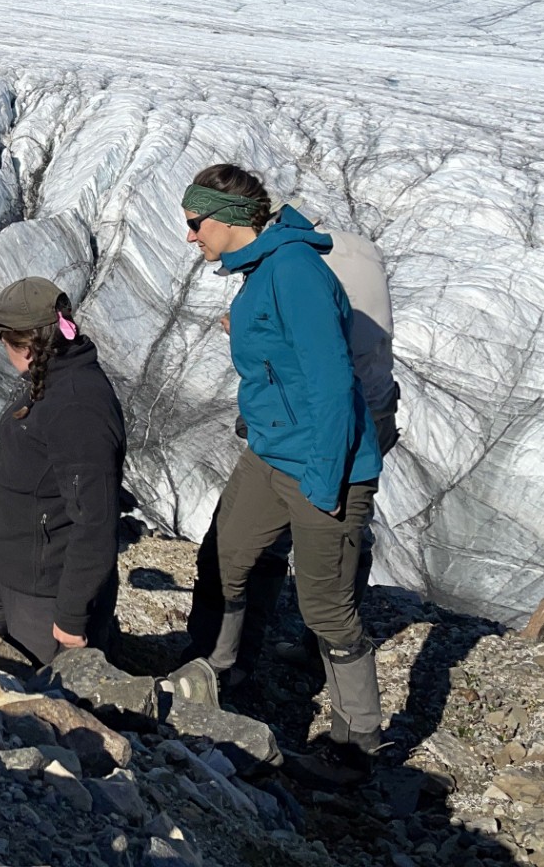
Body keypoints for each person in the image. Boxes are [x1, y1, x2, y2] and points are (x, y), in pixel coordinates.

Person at [182, 163, 386, 787]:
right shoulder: (266, 268)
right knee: (226, 557)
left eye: (195, 224)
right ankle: (215, 672)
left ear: (228, 220)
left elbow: (329, 383)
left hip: (322, 466)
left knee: (327, 610)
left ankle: (359, 746)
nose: (191, 237)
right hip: (271, 454)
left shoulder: (294, 273)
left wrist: (325, 485)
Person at [186, 201, 402, 668]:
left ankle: (252, 657)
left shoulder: (299, 268)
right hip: (362, 409)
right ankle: (289, 647)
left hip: (326, 425)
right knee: (322, 547)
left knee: (291, 552)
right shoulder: (347, 253)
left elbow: (327, 374)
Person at [0, 278, 125, 668]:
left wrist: (71, 616)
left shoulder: (78, 407)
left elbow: (96, 522)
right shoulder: (49, 377)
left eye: (3, 340)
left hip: (44, 587)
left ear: (26, 346)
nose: (2, 350)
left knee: (49, 698)